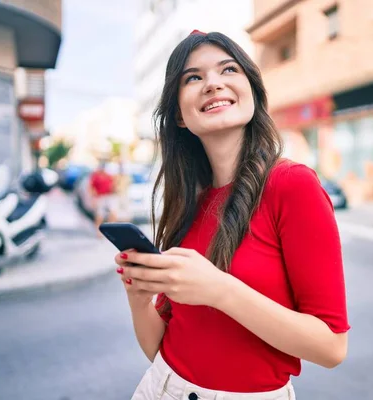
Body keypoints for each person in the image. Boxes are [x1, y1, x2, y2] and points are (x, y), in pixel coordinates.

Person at [114, 30, 349, 400]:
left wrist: (219, 290)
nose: (212, 84)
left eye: (228, 70)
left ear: (252, 91)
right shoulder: (188, 200)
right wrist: (138, 296)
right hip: (160, 388)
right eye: (193, 77)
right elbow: (159, 349)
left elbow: (332, 347)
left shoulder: (292, 186)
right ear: (177, 114)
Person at [89, 160, 117, 235]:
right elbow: (91, 188)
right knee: (99, 215)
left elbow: (113, 185)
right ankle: (98, 231)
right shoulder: (96, 176)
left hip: (109, 196)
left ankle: (112, 230)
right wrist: (93, 199)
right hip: (100, 197)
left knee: (113, 213)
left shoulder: (108, 175)